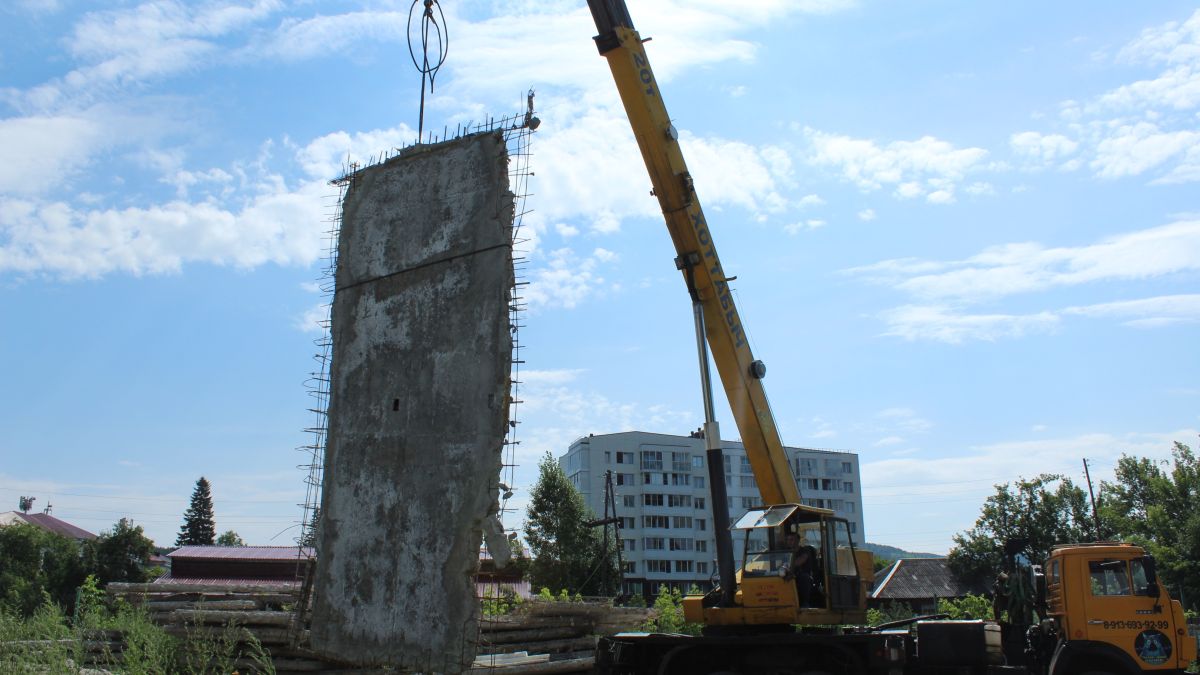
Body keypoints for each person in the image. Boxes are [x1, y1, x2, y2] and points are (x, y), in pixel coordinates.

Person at [784, 531, 816, 608]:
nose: (789, 542)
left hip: (802, 575)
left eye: (791, 539)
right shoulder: (785, 552)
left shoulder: (804, 551)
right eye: (788, 540)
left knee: (804, 578)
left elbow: (800, 560)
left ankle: (805, 603)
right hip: (790, 574)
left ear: (798, 541)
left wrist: (787, 565)